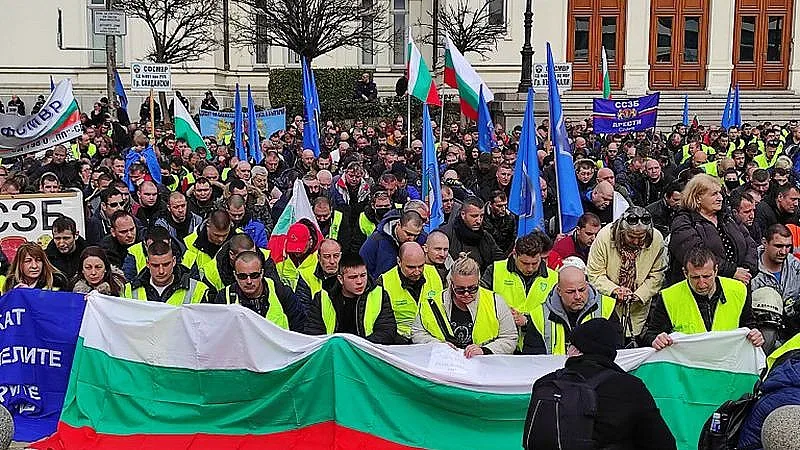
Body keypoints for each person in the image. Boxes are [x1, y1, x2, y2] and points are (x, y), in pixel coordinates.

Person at [523, 318, 676, 450]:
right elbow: (662, 443)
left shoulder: (544, 383)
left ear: (574, 350)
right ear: (611, 353)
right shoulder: (630, 387)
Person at [643, 247, 764, 349]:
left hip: (727, 361)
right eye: (695, 277)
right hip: (688, 364)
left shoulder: (738, 290)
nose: (702, 284)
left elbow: (748, 324)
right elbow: (652, 334)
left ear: (716, 270)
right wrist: (656, 339)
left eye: (707, 276)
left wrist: (755, 334)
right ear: (685, 273)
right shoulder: (669, 296)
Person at [412, 255, 518, 356]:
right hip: (444, 363)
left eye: (472, 288)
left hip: (484, 363)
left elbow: (509, 338)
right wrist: (437, 345)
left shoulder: (496, 302)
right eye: (460, 289)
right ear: (451, 283)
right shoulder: (431, 304)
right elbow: (417, 333)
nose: (466, 294)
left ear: (479, 281)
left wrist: (485, 350)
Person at [587, 207, 666, 340]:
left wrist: (639, 294)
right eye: (631, 236)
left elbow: (658, 274)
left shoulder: (656, 239)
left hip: (638, 307)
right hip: (607, 305)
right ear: (622, 231)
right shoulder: (604, 237)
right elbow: (594, 273)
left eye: (641, 237)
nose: (636, 241)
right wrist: (614, 290)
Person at [669, 173, 757, 285]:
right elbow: (695, 256)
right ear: (698, 198)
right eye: (714, 194)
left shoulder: (728, 216)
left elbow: (750, 244)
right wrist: (732, 272)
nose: (720, 198)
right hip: (702, 286)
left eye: (720, 193)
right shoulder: (683, 222)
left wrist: (746, 270)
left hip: (740, 282)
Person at [521, 261, 620, 355]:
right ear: (559, 291)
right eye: (570, 292)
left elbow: (617, 350)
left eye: (582, 290)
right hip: (555, 367)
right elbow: (534, 359)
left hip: (595, 367)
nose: (578, 296)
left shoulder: (607, 307)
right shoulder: (539, 315)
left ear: (587, 285)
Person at [304, 253, 397, 344]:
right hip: (332, 349)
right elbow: (313, 333)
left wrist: (356, 346)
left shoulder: (380, 294)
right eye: (353, 277)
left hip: (366, 350)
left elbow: (387, 331)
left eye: (363, 275)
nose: (359, 281)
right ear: (340, 279)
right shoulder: (322, 297)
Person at [213, 251, 305, 331]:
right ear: (235, 275)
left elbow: (299, 328)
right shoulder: (224, 298)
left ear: (262, 273)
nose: (249, 281)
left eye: (254, 275)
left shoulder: (281, 292)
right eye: (242, 276)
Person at [482, 232, 558, 326]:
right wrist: (502, 311)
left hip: (536, 333)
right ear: (515, 255)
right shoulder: (494, 270)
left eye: (535, 263)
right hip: (501, 329)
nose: (530, 268)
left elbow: (556, 312)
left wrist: (528, 320)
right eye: (525, 263)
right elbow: (481, 300)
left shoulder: (554, 278)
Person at [378, 242, 444, 342]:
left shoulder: (435, 273)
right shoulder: (384, 282)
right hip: (400, 340)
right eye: (411, 267)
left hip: (430, 338)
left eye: (421, 266)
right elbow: (381, 322)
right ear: (399, 261)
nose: (417, 272)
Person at [122, 241, 210, 304]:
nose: (161, 271)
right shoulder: (128, 290)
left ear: (174, 261)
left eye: (166, 264)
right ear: (147, 263)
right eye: (155, 265)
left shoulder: (197, 290)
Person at [438, 196, 504, 273]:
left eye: (481, 216)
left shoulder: (485, 236)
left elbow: (500, 259)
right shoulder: (444, 235)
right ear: (463, 214)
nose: (479, 221)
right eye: (474, 216)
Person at [360, 210, 426, 279]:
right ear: (398, 224)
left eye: (416, 235)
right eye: (408, 234)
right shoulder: (376, 241)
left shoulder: (423, 239)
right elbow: (363, 270)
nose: (412, 239)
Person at [3, 243, 68, 293]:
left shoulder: (57, 280)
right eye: (28, 261)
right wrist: (15, 295)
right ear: (19, 264)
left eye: (38, 260)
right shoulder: (11, 282)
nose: (34, 266)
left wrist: (30, 294)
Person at [45, 216, 88, 281]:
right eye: (57, 238)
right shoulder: (46, 258)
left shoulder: (89, 255)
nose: (61, 243)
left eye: (66, 238)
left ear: (76, 235)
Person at [482, 190, 517, 255]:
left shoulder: (510, 217)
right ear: (490, 204)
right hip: (486, 253)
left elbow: (513, 238)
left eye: (505, 205)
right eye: (499, 206)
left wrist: (505, 255)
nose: (503, 209)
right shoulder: (481, 217)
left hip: (505, 252)